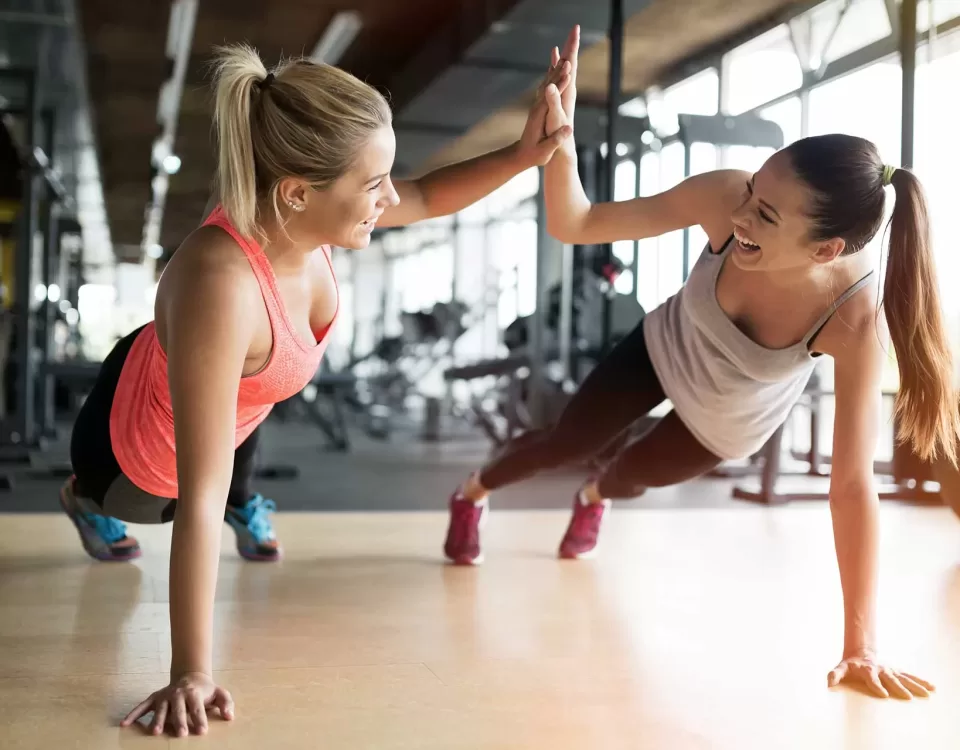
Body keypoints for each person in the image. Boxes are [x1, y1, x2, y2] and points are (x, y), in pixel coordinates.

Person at [58, 41, 574, 736]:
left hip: (228, 389)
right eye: (375, 183)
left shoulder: (303, 215)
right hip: (129, 451)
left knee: (238, 434)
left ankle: (226, 478)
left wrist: (525, 154)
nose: (391, 197)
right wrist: (190, 670)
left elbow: (425, 196)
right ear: (297, 191)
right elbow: (199, 497)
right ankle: (81, 499)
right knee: (168, 500)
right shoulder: (223, 284)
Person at [442, 28, 951, 700]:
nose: (741, 216)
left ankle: (593, 497)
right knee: (568, 441)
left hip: (728, 419)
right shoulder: (726, 198)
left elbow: (853, 485)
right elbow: (577, 223)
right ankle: (471, 493)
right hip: (664, 348)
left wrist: (862, 646)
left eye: (765, 215)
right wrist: (559, 141)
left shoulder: (854, 322)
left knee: (627, 477)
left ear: (826, 251)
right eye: (753, 191)